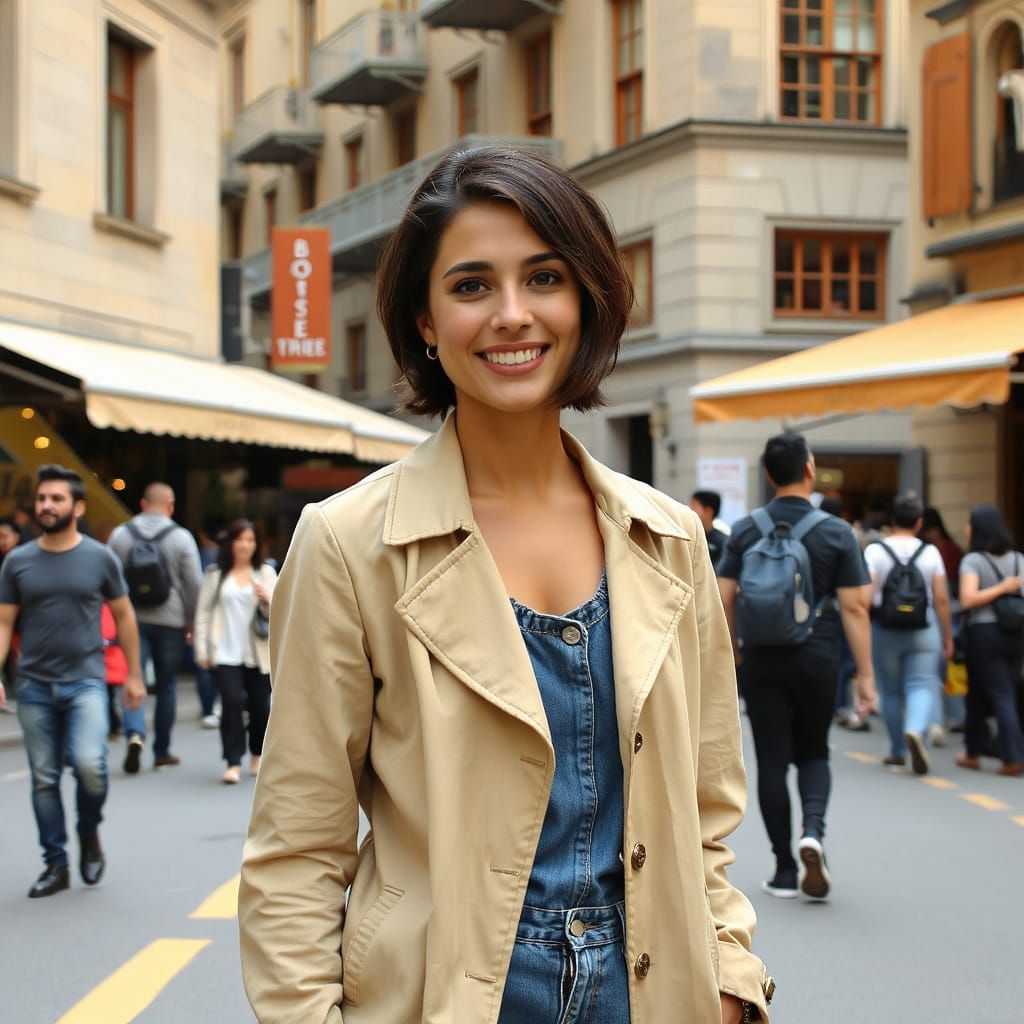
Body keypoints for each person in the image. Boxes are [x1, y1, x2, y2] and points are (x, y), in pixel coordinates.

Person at [239, 146, 773, 1024]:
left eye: (545, 277)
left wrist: (731, 980)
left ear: (587, 297)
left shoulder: (671, 537)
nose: (513, 316)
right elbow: (297, 846)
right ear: (424, 318)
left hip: (656, 988)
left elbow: (709, 808)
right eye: (473, 285)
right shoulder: (348, 542)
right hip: (445, 993)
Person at [718, 433, 875, 902]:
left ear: (768, 475)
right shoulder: (836, 532)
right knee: (813, 752)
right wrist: (865, 674)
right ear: (810, 469)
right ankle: (814, 833)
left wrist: (734, 650)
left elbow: (723, 595)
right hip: (818, 654)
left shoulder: (745, 529)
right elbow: (855, 609)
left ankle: (785, 868)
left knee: (771, 759)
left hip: (762, 657)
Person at [0, 465, 144, 898]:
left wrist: (135, 675)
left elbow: (124, 615)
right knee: (44, 779)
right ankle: (55, 864)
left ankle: (88, 831)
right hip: (34, 686)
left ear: (77, 507)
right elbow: (4, 622)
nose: (47, 505)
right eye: (42, 498)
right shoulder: (17, 561)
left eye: (56, 499)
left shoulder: (100, 558)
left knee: (90, 767)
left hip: (86, 681)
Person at [109, 483, 202, 769]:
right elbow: (194, 583)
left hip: (131, 620)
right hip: (170, 619)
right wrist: (191, 620)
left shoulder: (121, 535)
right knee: (167, 685)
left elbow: (107, 577)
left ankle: (135, 732)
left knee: (132, 677)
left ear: (142, 503)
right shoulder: (181, 537)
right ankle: (162, 751)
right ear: (171, 505)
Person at [863, 495, 953, 775]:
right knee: (922, 683)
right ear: (919, 523)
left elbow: (865, 598)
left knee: (890, 690)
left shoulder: (875, 551)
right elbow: (941, 600)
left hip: (885, 627)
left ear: (892, 521)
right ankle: (915, 729)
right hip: (923, 628)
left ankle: (898, 751)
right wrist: (948, 637)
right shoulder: (930, 552)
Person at [194, 519, 276, 785]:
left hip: (258, 652)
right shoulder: (216, 574)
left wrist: (268, 601)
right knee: (230, 703)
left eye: (251, 540)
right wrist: (202, 649)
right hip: (225, 651)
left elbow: (280, 613)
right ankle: (232, 762)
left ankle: (257, 752)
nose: (245, 545)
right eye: (240, 539)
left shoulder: (265, 573)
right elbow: (203, 613)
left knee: (260, 707)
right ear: (230, 543)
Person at [955, 505, 1024, 777]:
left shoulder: (973, 561)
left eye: (969, 524)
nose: (966, 529)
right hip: (1017, 633)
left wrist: (999, 588)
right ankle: (973, 751)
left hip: (985, 633)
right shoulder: (1020, 560)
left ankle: (1011, 758)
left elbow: (968, 599)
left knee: (1001, 694)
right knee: (977, 692)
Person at [192, 518, 224, 729]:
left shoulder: (205, 560)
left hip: (211, 626)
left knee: (205, 671)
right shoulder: (222, 562)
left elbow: (194, 589)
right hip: (223, 629)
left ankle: (208, 709)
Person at [690, 489, 729, 570]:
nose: (690, 511)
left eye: (693, 507)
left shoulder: (722, 542)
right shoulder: (689, 537)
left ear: (708, 511)